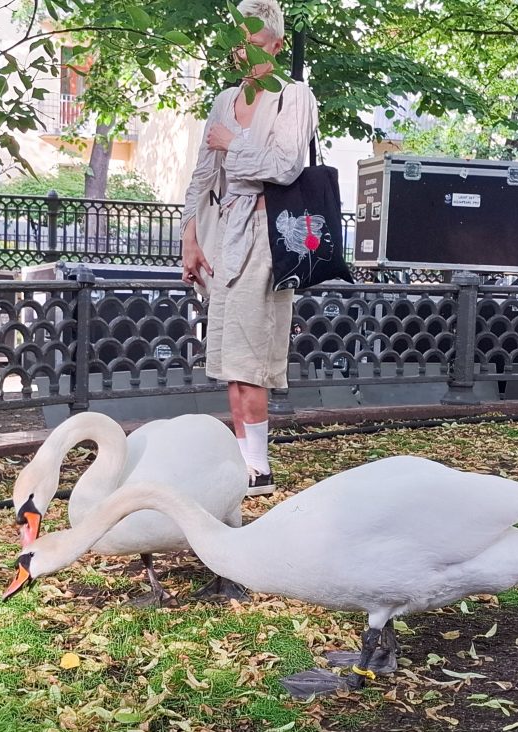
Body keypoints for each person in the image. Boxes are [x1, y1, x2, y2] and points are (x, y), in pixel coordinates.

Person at [180, 0, 318, 496]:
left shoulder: (293, 96)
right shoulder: (223, 99)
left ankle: (258, 469)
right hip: (222, 233)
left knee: (250, 352)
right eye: (240, 41)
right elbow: (203, 172)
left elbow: (284, 167)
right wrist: (190, 239)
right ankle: (243, 464)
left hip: (267, 234)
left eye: (257, 43)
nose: (246, 51)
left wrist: (231, 141)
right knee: (227, 354)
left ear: (277, 45)